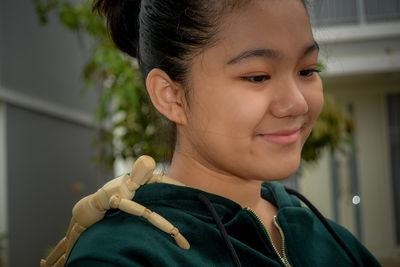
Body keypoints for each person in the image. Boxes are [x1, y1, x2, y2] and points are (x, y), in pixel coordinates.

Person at [65, 0, 381, 266]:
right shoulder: (121, 256)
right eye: (258, 77)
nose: (297, 103)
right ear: (171, 96)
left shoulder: (330, 241)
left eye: (307, 70)